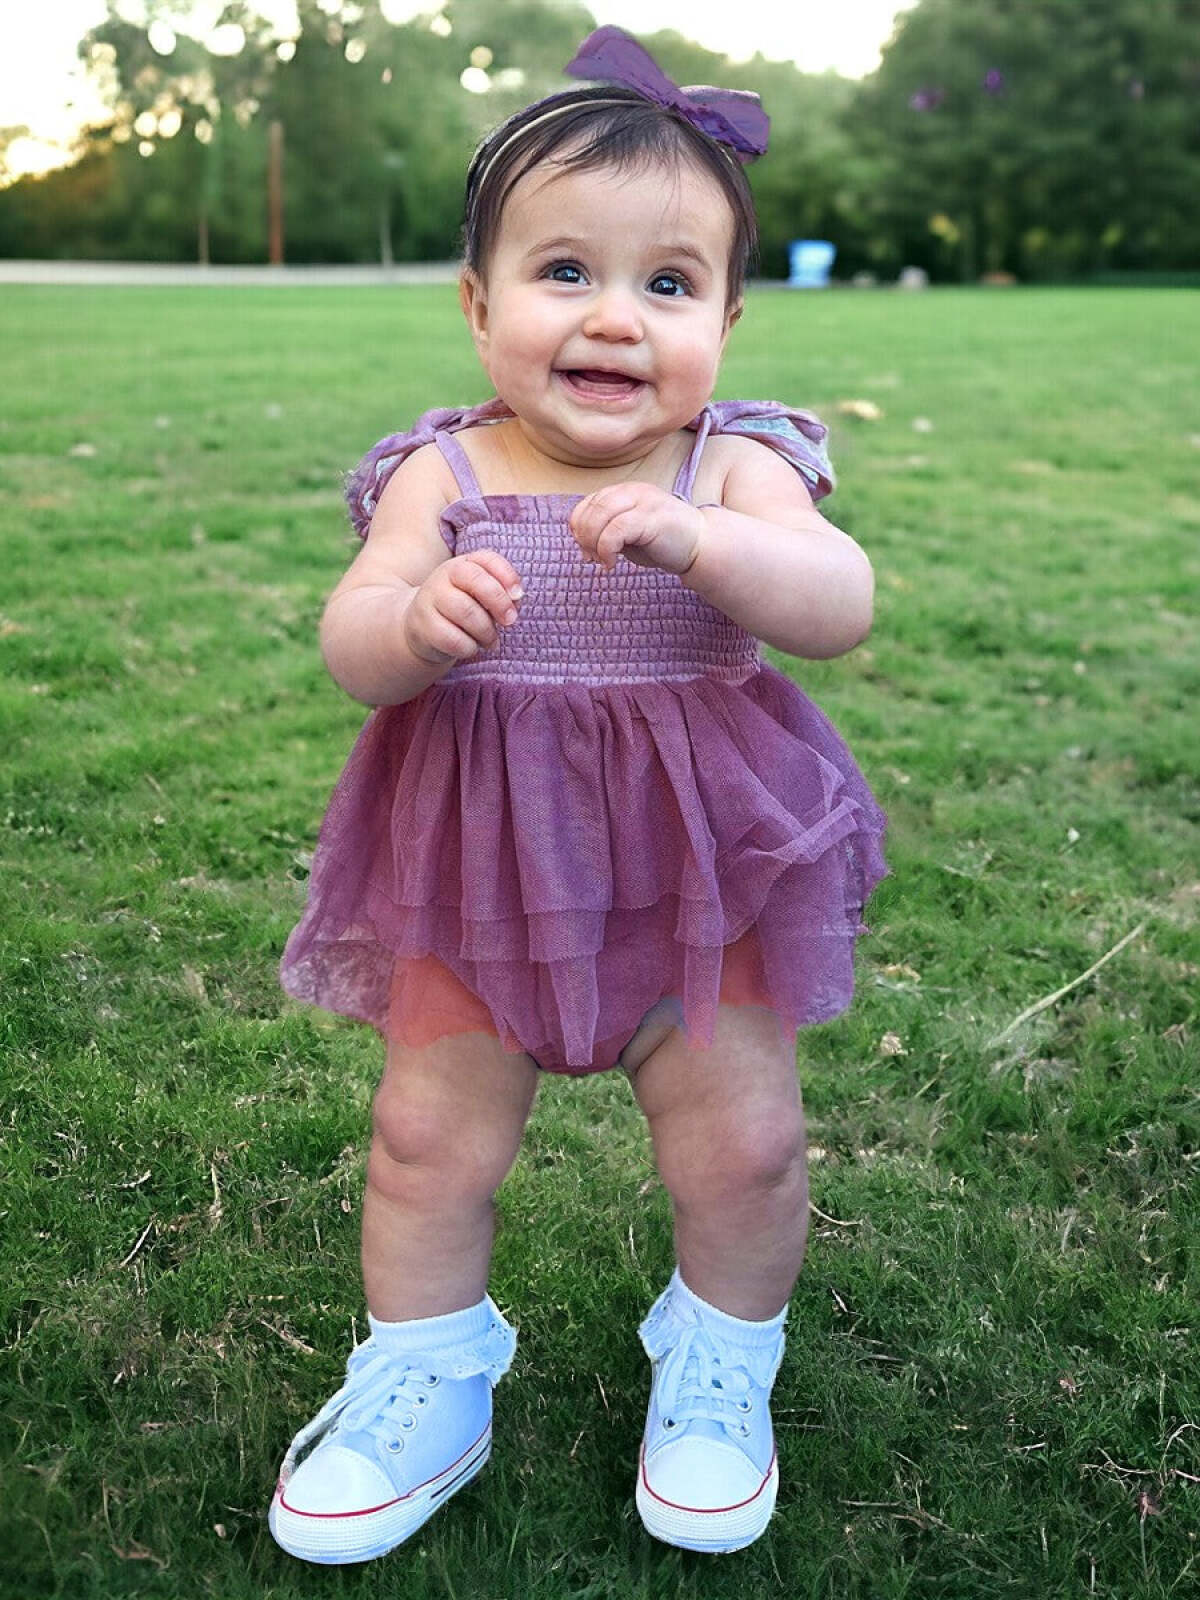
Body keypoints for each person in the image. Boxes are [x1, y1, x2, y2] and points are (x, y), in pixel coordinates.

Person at [268, 25, 886, 1563]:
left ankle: (721, 1358)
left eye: (669, 285)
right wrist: (413, 627)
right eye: (565, 273)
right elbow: (354, 637)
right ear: (478, 307)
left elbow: (839, 598)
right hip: (482, 866)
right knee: (426, 1141)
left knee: (742, 1145)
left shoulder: (731, 468)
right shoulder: (443, 471)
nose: (616, 319)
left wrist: (713, 550)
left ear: (730, 322)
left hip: (703, 871)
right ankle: (428, 1368)